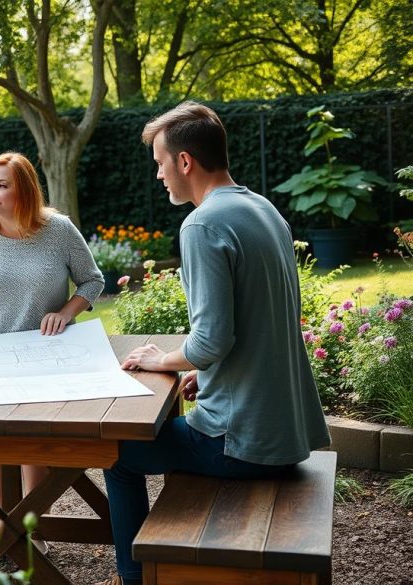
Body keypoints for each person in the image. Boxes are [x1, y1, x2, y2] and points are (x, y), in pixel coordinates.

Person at [94, 102, 331, 585]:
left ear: (185, 162)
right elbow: (264, 319)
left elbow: (210, 340)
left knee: (117, 457)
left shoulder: (202, 225)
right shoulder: (261, 208)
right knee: (160, 434)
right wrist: (203, 371)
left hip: (243, 445)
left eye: (160, 163)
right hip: (289, 435)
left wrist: (168, 359)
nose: (159, 174)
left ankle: (132, 578)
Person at [0, 151, 104, 554]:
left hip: (45, 355)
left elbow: (92, 281)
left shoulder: (58, 230)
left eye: (2, 185)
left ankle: (29, 528)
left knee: (33, 442)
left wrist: (65, 313)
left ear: (25, 190)